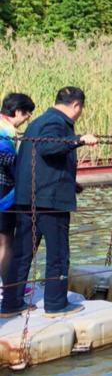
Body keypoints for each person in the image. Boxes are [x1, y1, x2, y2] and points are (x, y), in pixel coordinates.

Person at [1, 86, 97, 318]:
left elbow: (38, 158)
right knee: (58, 253)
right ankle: (56, 304)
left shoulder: (39, 122)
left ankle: (11, 304)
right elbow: (47, 147)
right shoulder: (56, 123)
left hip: (29, 198)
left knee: (22, 253)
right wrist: (79, 139)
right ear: (76, 106)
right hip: (49, 202)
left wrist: (70, 183)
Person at [0, 92, 36, 289]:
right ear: (16, 111)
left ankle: (9, 286)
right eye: (26, 113)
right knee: (5, 242)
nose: (28, 117)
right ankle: (7, 289)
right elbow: (7, 160)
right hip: (3, 193)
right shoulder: (4, 132)